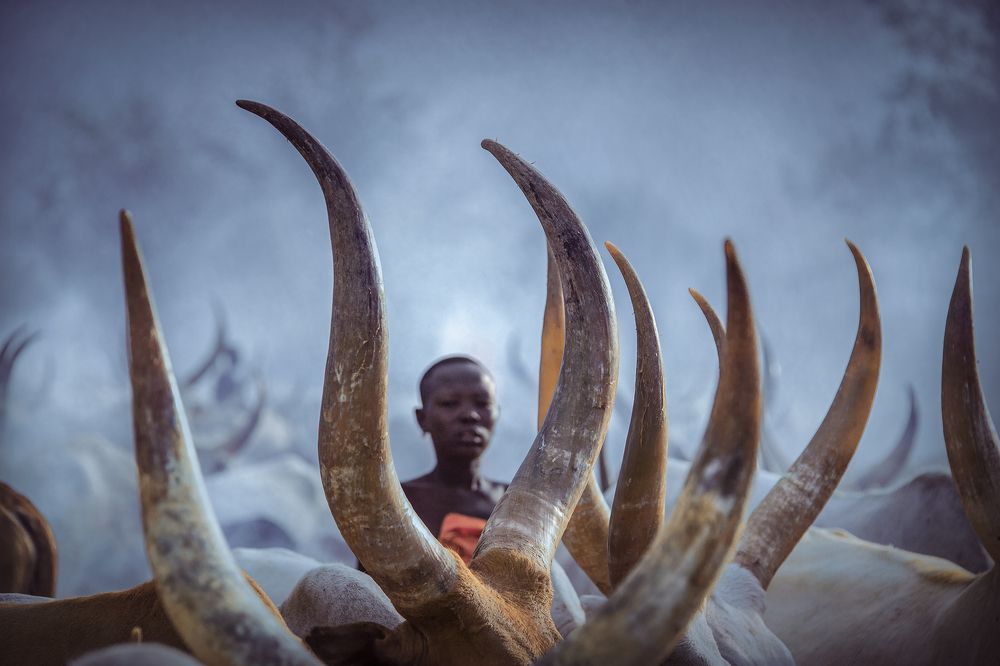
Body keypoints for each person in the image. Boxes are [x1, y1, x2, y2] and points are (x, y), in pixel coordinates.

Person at [401, 355, 507, 564]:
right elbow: (369, 592)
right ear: (423, 419)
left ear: (497, 414)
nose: (470, 415)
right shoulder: (398, 502)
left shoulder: (516, 503)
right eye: (450, 403)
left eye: (482, 403)